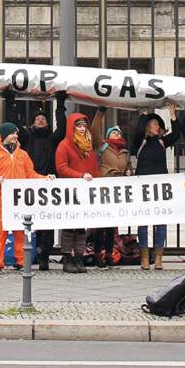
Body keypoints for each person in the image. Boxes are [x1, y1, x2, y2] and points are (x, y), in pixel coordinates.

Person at [132, 106, 185, 270]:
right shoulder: (140, 141)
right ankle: (144, 256)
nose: (158, 127)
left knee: (161, 222)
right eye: (155, 124)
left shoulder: (162, 142)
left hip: (160, 188)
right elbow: (136, 132)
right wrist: (143, 115)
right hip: (143, 188)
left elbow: (177, 134)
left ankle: (158, 257)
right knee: (143, 222)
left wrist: (173, 115)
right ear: (148, 126)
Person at [0, 122, 44, 275]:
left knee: (20, 231)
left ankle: (21, 262)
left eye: (16, 134)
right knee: (0, 232)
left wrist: (45, 179)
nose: (16, 136)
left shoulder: (23, 155)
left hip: (19, 201)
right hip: (2, 201)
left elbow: (31, 175)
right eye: (13, 133)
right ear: (5, 135)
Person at [15, 102, 62, 270]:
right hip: (30, 183)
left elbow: (62, 127)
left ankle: (44, 256)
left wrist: (60, 104)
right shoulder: (27, 137)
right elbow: (16, 125)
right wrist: (14, 103)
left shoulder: (53, 138)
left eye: (43, 118)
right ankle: (28, 254)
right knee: (29, 221)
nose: (40, 120)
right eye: (37, 118)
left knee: (47, 223)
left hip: (48, 184)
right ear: (33, 122)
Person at [54, 110, 100, 273]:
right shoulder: (64, 146)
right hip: (69, 192)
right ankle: (67, 258)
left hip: (84, 192)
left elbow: (94, 168)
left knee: (81, 226)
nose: (81, 128)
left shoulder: (88, 145)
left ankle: (79, 258)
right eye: (78, 125)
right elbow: (61, 168)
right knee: (68, 225)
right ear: (71, 127)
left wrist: (95, 180)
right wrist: (80, 175)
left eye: (83, 125)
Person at [95, 122, 130, 268]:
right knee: (99, 225)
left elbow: (128, 167)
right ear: (108, 135)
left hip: (117, 190)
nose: (116, 135)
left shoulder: (125, 151)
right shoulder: (103, 146)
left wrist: (129, 172)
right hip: (103, 187)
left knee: (111, 226)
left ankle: (109, 255)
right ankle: (97, 255)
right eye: (113, 133)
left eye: (118, 133)